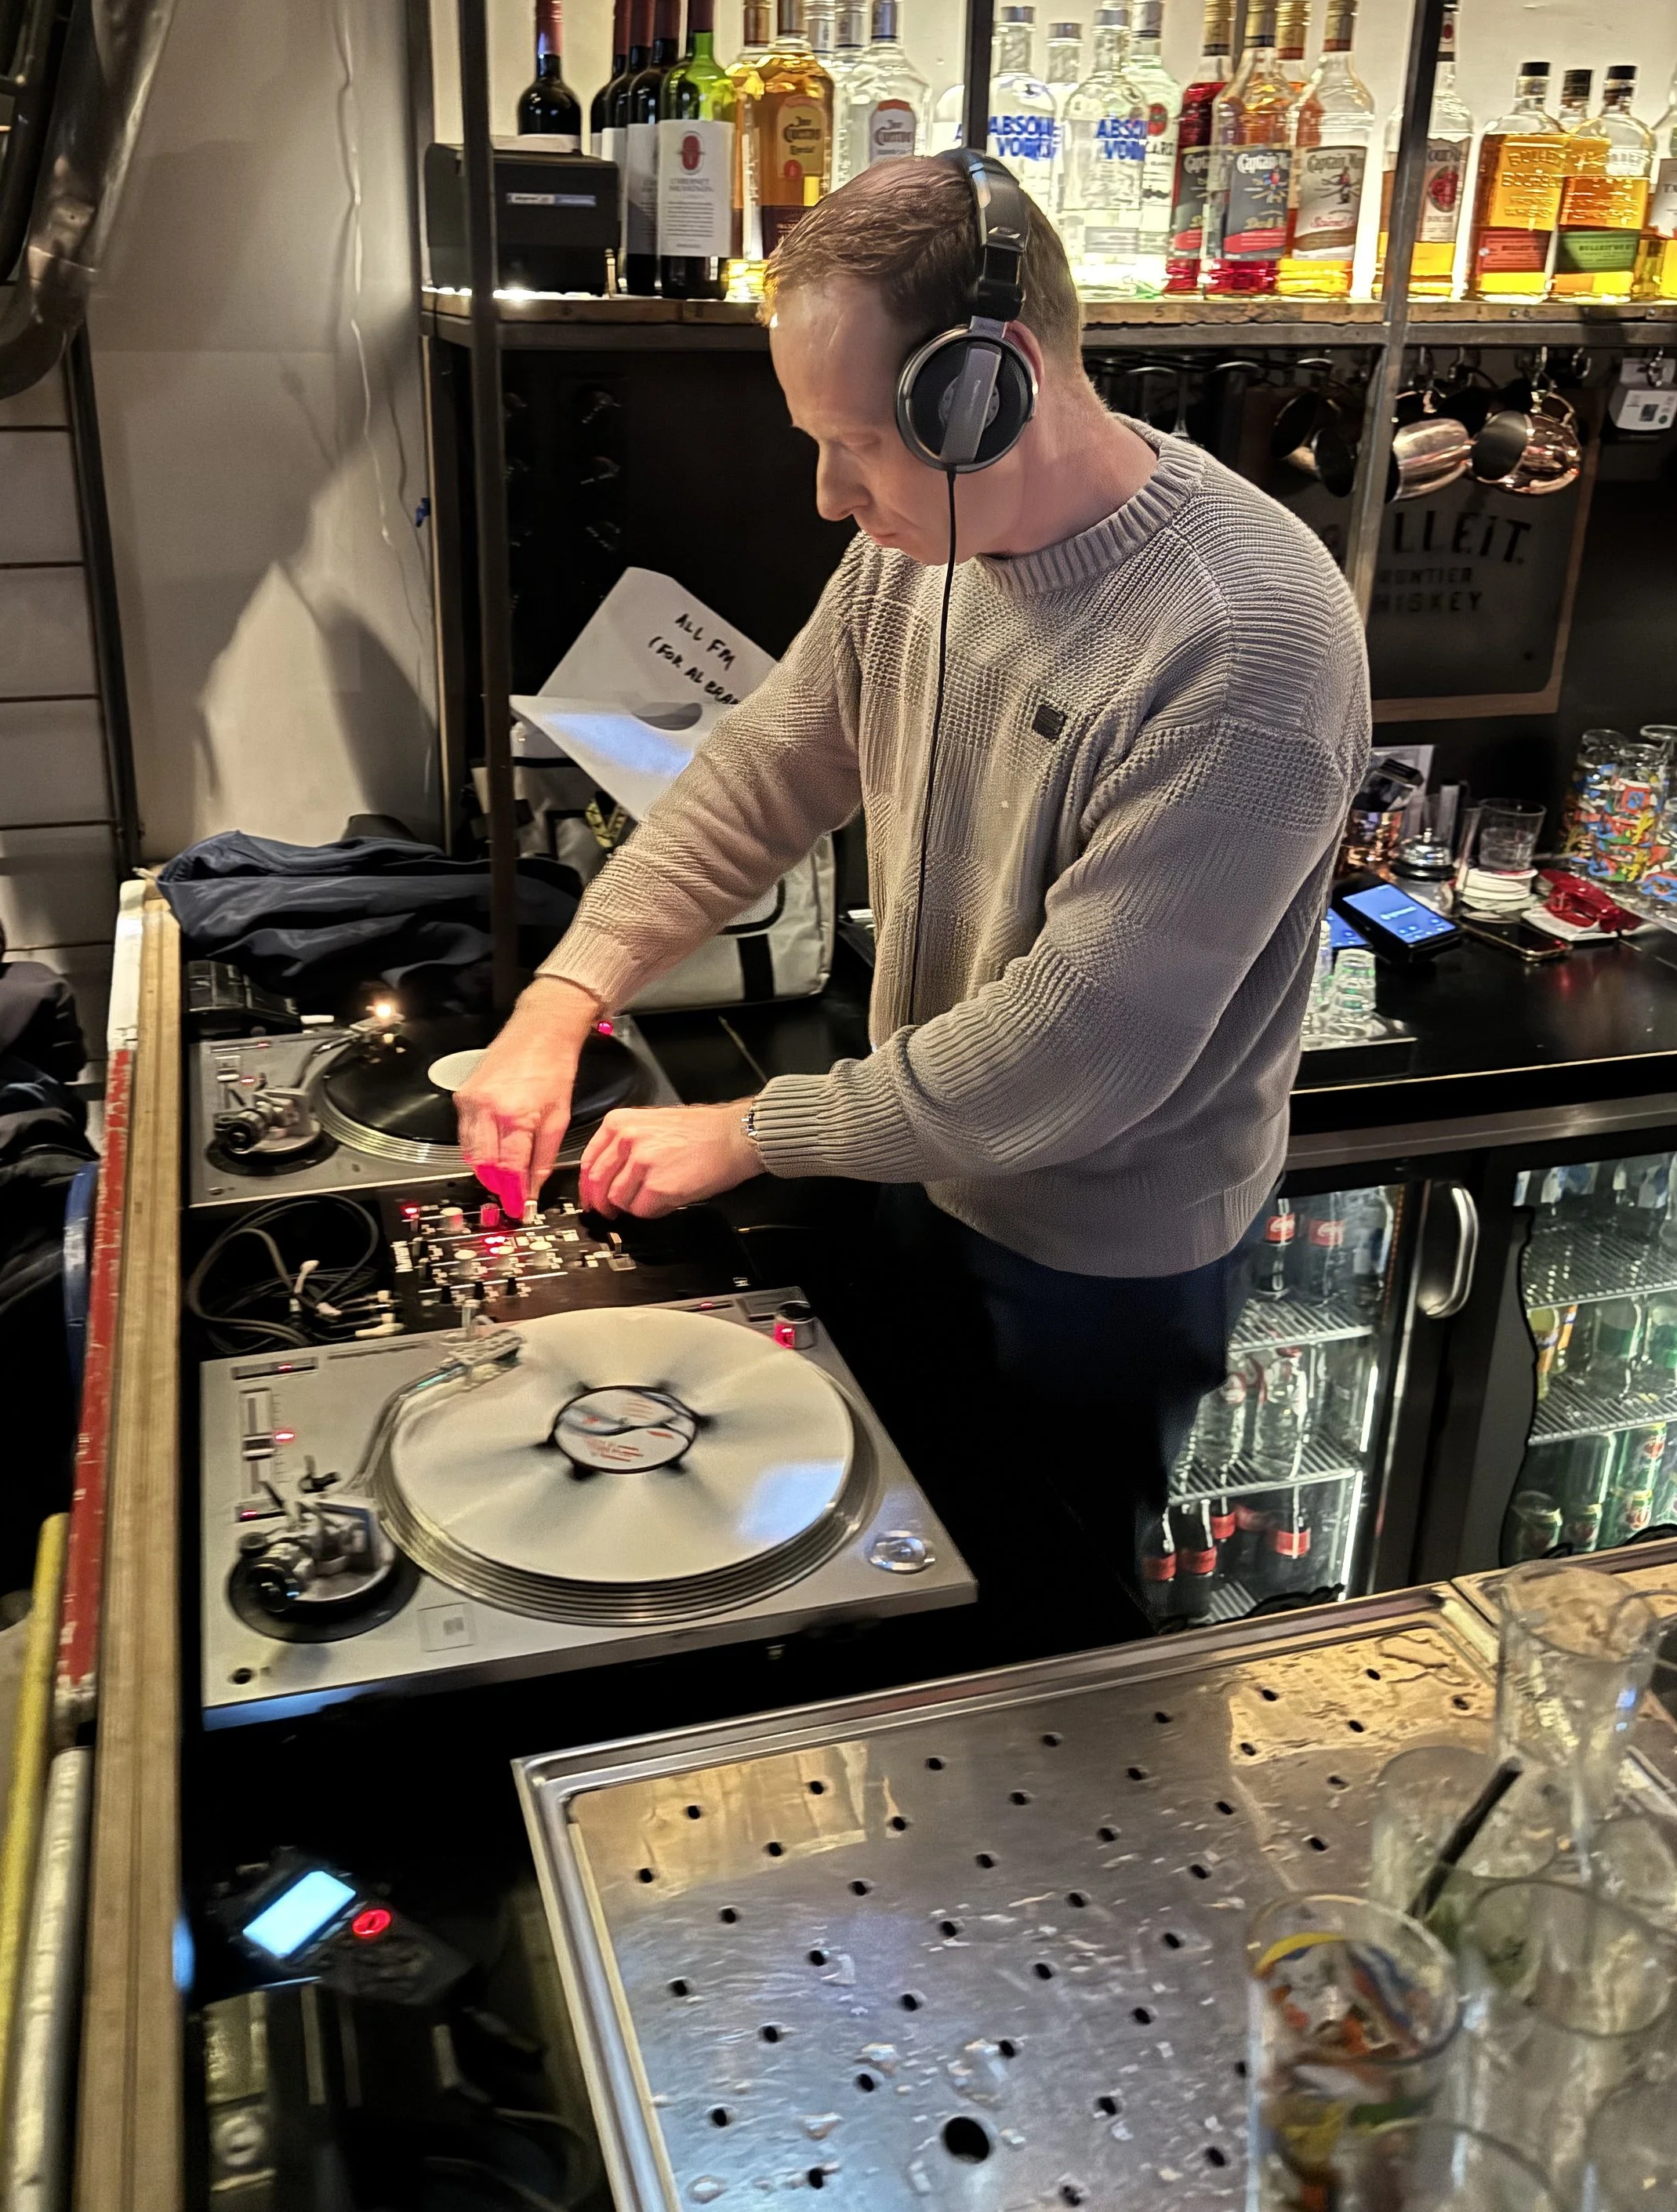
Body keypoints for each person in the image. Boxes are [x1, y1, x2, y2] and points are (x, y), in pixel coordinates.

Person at [456, 152, 1369, 1611]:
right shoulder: (920, 549)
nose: (829, 496)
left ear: (986, 386)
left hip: (1099, 1257)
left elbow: (1083, 1045)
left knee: (1044, 1617)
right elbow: (764, 770)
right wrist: (565, 998)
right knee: (889, 1592)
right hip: (918, 1162)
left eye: (859, 443)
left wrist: (758, 1128)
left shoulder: (1247, 636)